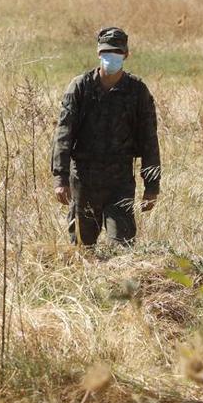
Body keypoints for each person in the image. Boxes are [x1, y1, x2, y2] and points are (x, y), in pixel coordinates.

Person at [50, 26, 161, 246]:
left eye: (117, 52)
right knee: (82, 247)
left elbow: (149, 140)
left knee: (123, 247)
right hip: (83, 181)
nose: (111, 57)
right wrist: (60, 179)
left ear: (126, 55)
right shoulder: (80, 87)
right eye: (107, 52)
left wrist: (151, 187)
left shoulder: (138, 91)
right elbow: (64, 134)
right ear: (99, 53)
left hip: (120, 182)